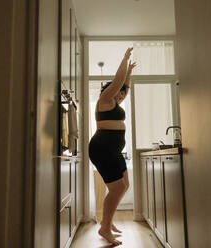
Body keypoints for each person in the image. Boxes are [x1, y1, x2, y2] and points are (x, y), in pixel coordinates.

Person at [88, 47, 137, 246]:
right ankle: (104, 228)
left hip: (114, 150)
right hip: (102, 149)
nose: (122, 96)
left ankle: (107, 222)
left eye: (123, 95)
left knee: (124, 186)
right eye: (120, 94)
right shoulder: (105, 99)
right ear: (111, 91)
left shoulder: (116, 102)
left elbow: (124, 86)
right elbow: (118, 82)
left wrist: (130, 73)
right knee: (117, 189)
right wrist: (124, 60)